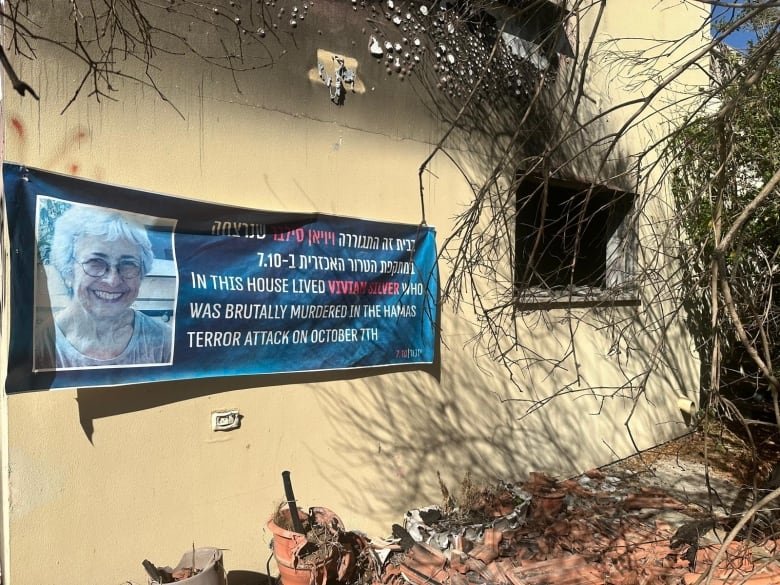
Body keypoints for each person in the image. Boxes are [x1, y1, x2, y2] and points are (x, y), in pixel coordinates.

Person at [34, 204, 173, 370]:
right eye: (95, 262)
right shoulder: (38, 344)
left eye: (128, 264)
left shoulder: (165, 339)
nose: (113, 280)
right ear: (68, 271)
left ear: (141, 273)